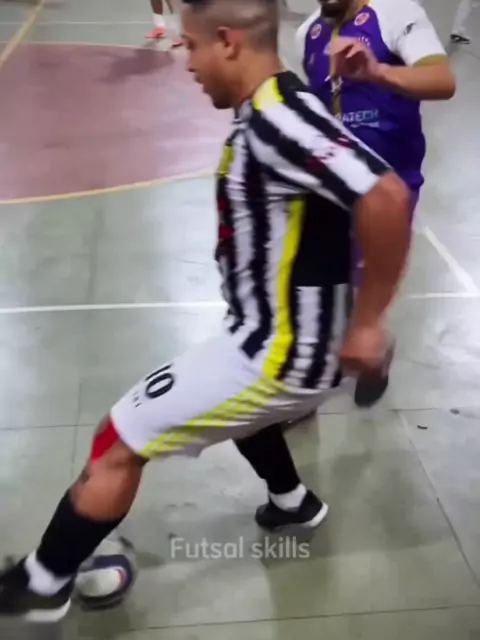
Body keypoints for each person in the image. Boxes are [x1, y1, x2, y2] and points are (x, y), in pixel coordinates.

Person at [0, 0, 412, 623]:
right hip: (266, 334)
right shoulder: (278, 106)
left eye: (191, 46)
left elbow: (386, 195)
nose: (187, 62)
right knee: (238, 411)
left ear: (227, 41)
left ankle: (44, 581)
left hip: (280, 354)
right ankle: (292, 503)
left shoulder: (278, 120)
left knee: (119, 437)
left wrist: (369, 322)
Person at [296, 0, 455, 406]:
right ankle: (308, 385)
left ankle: (374, 346)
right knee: (322, 286)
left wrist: (377, 72)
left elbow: (442, 80)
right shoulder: (308, 32)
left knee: (366, 291)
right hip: (332, 186)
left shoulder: (395, 12)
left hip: (388, 188)